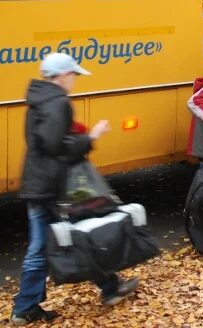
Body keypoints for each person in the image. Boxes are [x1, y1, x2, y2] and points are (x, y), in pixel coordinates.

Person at [11, 52, 139, 325]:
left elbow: (41, 143)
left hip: (36, 183)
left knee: (39, 247)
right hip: (56, 185)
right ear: (62, 75)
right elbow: (55, 146)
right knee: (85, 234)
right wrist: (90, 137)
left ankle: (25, 307)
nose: (75, 80)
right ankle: (110, 289)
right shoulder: (58, 102)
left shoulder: (36, 100)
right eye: (73, 75)